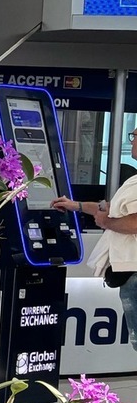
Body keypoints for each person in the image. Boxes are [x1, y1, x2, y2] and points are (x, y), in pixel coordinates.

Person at [53, 127, 137, 346]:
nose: (133, 140)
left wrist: (105, 223)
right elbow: (111, 208)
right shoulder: (133, 181)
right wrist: (76, 206)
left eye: (135, 136)